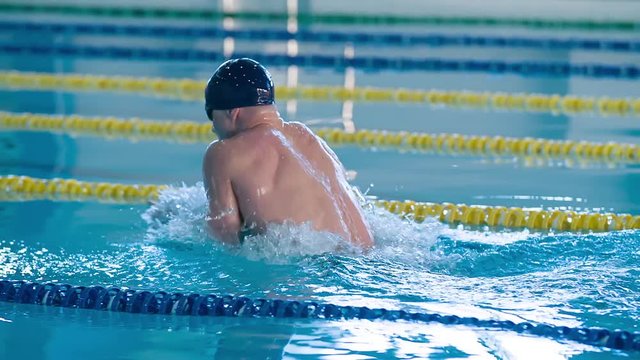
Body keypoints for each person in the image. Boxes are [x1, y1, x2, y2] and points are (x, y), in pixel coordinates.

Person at [202, 58, 373, 248]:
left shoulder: (223, 152)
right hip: (359, 256)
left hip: (302, 270)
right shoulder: (308, 138)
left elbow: (224, 234)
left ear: (232, 112)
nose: (213, 129)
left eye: (212, 117)